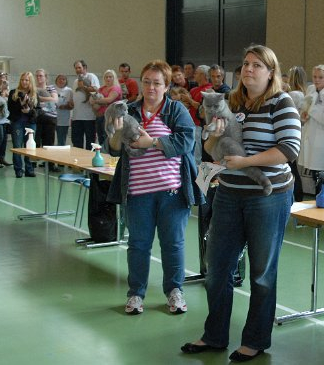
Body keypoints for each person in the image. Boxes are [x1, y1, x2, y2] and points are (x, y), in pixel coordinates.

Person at [181, 45, 301, 362]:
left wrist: (246, 161)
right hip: (229, 194)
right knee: (217, 267)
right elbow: (211, 147)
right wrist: (213, 136)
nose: (248, 69)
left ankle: (255, 340)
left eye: (257, 65)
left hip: (268, 196)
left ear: (271, 72)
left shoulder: (281, 103)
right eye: (246, 63)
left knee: (262, 273)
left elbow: (289, 149)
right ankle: (214, 335)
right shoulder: (231, 101)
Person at [105, 60, 202, 316]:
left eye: (157, 83)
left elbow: (187, 141)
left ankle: (175, 291)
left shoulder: (176, 110)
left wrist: (153, 142)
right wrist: (116, 133)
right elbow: (113, 148)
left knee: (173, 245)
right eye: (147, 82)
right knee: (138, 245)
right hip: (137, 193)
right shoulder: (128, 110)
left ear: (167, 86)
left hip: (172, 193)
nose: (151, 87)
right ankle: (136, 293)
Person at [299, 64, 324, 189]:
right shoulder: (311, 89)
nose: (316, 80)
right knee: (314, 175)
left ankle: (322, 198)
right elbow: (305, 108)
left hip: (322, 140)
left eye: (320, 77)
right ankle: (319, 199)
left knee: (321, 177)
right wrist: (304, 114)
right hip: (310, 136)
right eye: (314, 77)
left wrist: (312, 109)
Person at [8, 71, 38, 178]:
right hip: (17, 122)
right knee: (17, 146)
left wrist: (29, 111)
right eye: (22, 80)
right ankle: (18, 169)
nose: (24, 82)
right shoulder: (13, 93)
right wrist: (20, 105)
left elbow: (37, 112)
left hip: (30, 123)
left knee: (29, 146)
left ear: (30, 81)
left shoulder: (34, 94)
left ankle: (29, 169)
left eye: (26, 80)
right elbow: (10, 109)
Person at [285, 66, 307, 201]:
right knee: (292, 166)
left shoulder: (293, 95)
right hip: (298, 132)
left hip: (290, 132)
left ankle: (297, 195)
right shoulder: (303, 94)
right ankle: (298, 195)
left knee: (291, 167)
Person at [35, 69, 59, 171]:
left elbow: (55, 100)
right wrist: (47, 99)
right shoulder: (33, 88)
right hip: (37, 117)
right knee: (35, 141)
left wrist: (39, 98)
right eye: (37, 76)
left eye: (41, 76)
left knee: (49, 142)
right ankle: (32, 163)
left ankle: (50, 164)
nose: (38, 78)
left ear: (46, 77)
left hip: (50, 118)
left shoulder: (51, 88)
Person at [91, 69, 122, 145]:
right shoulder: (101, 88)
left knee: (108, 136)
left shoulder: (116, 88)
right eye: (106, 77)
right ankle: (102, 151)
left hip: (110, 117)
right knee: (100, 136)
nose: (108, 78)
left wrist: (97, 101)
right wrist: (100, 102)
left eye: (110, 77)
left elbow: (109, 100)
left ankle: (108, 152)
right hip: (99, 115)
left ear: (114, 78)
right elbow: (91, 100)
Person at [54, 74, 73, 146]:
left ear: (66, 81)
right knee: (50, 141)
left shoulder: (69, 91)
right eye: (59, 79)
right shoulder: (51, 89)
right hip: (52, 119)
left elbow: (72, 106)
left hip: (63, 121)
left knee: (61, 142)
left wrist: (65, 106)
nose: (61, 81)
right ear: (56, 80)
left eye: (63, 79)